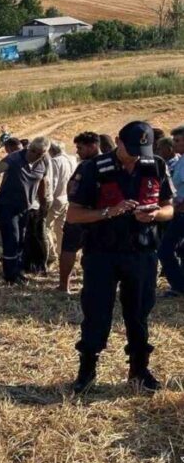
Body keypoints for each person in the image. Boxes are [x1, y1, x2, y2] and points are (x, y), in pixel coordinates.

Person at [67, 121, 175, 394]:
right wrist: (108, 212)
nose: (137, 155)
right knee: (97, 313)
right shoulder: (92, 168)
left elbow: (169, 208)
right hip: (102, 254)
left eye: (143, 148)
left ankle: (139, 368)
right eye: (132, 149)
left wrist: (154, 215)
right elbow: (74, 214)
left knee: (139, 313)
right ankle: (87, 369)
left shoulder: (157, 165)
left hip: (142, 253)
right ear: (117, 141)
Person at [0, 136, 50, 284]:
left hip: (25, 207)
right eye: (33, 150)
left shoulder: (44, 162)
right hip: (7, 206)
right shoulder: (14, 158)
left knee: (21, 241)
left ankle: (17, 270)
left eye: (39, 153)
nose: (34, 155)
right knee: (12, 238)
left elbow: (42, 182)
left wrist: (43, 203)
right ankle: (10, 275)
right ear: (29, 147)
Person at [58, 132, 100, 292]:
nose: (77, 152)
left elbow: (72, 188)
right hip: (101, 215)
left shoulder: (86, 166)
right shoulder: (111, 163)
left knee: (69, 249)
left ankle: (64, 285)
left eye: (80, 148)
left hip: (80, 214)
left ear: (93, 146)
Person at [157, 126, 184, 297]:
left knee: (165, 249)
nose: (174, 144)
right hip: (178, 211)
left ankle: (178, 285)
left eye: (178, 140)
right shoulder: (181, 159)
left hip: (181, 212)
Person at [44, 140, 78, 268]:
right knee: (61, 228)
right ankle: (61, 252)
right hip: (67, 198)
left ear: (51, 150)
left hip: (56, 198)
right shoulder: (72, 159)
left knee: (46, 227)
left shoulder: (55, 161)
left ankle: (51, 255)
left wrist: (47, 199)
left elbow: (52, 181)